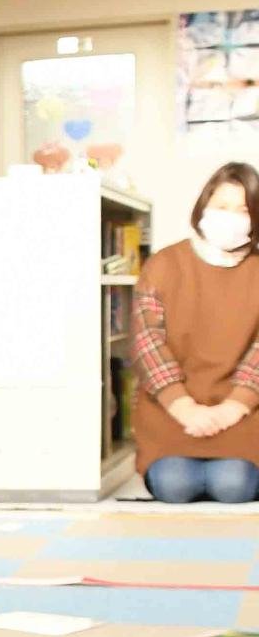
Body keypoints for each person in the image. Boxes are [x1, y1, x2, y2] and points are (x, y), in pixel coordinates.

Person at [132, 161, 259, 504]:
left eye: (243, 209)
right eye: (221, 206)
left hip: (243, 415)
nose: (230, 216)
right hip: (171, 412)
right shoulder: (164, 263)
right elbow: (148, 344)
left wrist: (234, 407)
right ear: (203, 207)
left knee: (233, 486)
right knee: (176, 485)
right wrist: (184, 407)